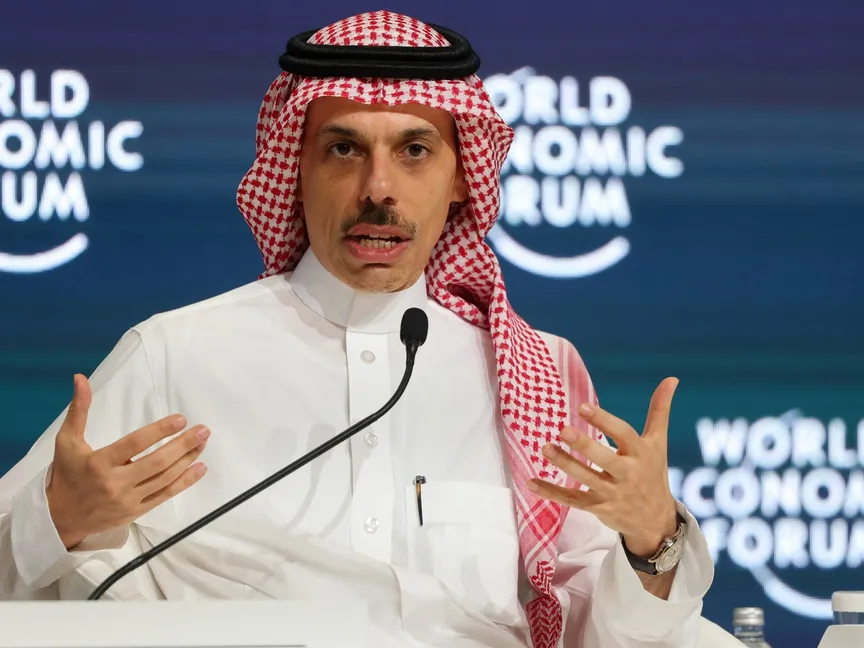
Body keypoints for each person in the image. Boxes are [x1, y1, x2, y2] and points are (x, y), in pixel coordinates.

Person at [0, 11, 713, 648]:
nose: (378, 189)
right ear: (296, 168)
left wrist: (651, 542)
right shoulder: (175, 356)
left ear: (462, 179)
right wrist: (57, 518)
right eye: (344, 150)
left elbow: (609, 639)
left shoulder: (534, 374)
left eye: (414, 151)